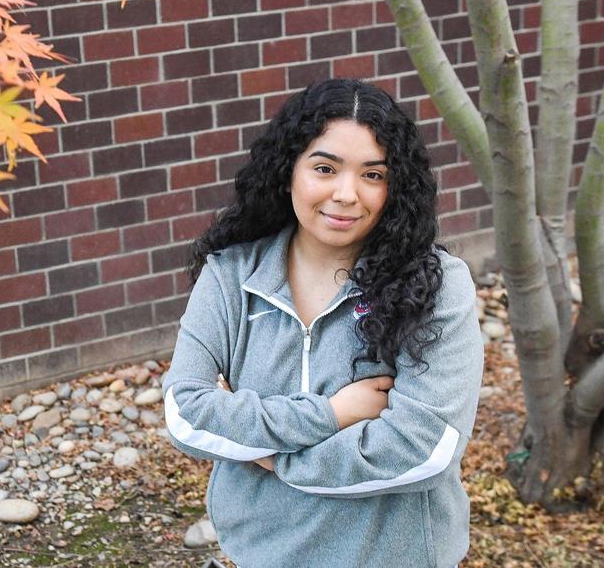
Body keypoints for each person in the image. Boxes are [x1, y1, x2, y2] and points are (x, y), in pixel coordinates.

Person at [162, 78, 484, 568]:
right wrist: (331, 415)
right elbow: (186, 412)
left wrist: (276, 458)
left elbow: (425, 448)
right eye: (325, 168)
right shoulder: (231, 275)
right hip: (259, 554)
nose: (346, 194)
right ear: (287, 170)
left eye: (373, 175)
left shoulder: (438, 287)